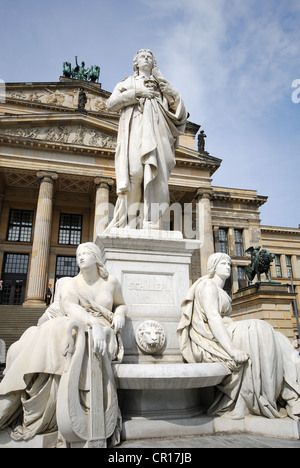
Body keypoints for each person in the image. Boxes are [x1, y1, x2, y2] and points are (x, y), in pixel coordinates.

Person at [0, 242, 126, 446]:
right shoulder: (69, 282)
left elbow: (120, 304)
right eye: (78, 254)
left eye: (85, 253)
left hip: (101, 333)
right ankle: (15, 396)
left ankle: (13, 401)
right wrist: (92, 322)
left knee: (54, 329)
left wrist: (120, 314)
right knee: (30, 339)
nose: (80, 257)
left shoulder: (111, 282)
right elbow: (69, 306)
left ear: (96, 257)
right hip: (82, 325)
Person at [178, 252, 300, 420]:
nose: (228, 267)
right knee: (259, 327)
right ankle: (267, 397)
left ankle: (292, 397)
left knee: (279, 338)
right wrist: (232, 350)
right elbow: (213, 318)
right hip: (213, 337)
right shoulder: (208, 286)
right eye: (223, 264)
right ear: (213, 267)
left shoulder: (220, 290)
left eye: (228, 263)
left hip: (227, 329)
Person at [105, 49, 188, 230]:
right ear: (136, 62)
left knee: (156, 176)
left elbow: (179, 109)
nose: (146, 58)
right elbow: (110, 104)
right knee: (135, 173)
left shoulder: (161, 84)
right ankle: (130, 220)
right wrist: (138, 93)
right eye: (142, 56)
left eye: (150, 57)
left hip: (158, 132)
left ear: (154, 63)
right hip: (135, 129)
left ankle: (149, 220)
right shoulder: (127, 82)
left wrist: (162, 82)